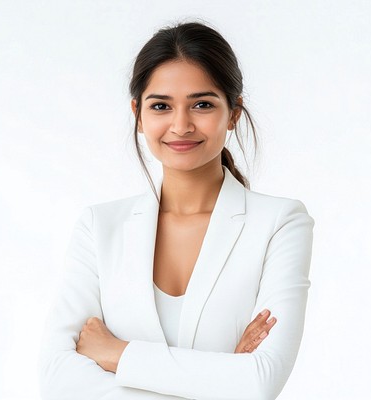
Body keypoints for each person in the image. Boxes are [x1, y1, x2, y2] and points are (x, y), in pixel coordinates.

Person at [39, 21, 314, 400]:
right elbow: (57, 378)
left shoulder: (280, 223)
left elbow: (258, 382)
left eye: (202, 104)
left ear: (233, 112)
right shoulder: (99, 227)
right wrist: (218, 380)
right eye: (161, 106)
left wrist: (117, 353)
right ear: (138, 113)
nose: (181, 125)